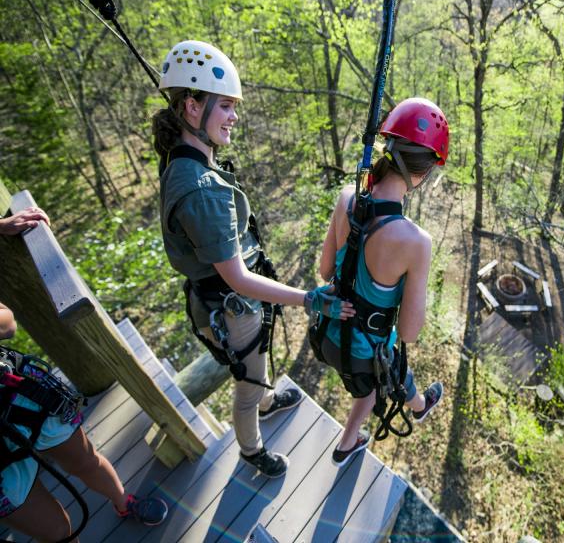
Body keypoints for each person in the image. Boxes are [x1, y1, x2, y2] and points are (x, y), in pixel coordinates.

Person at [152, 40, 355, 479]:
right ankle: (250, 449)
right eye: (224, 105)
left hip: (226, 301)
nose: (234, 116)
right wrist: (310, 299)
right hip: (231, 305)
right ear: (192, 108)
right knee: (246, 384)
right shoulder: (201, 188)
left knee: (255, 369)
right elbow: (238, 278)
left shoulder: (183, 158)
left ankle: (265, 399)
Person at [0, 210, 168, 542]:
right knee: (58, 530)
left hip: (19, 399)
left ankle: (123, 501)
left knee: (87, 461)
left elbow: (8, 321)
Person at [314, 97, 448, 466]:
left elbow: (326, 272)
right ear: (422, 174)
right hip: (363, 355)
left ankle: (348, 442)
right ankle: (416, 408)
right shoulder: (417, 242)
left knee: (369, 390)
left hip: (326, 335)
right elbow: (407, 333)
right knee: (377, 376)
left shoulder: (346, 199)